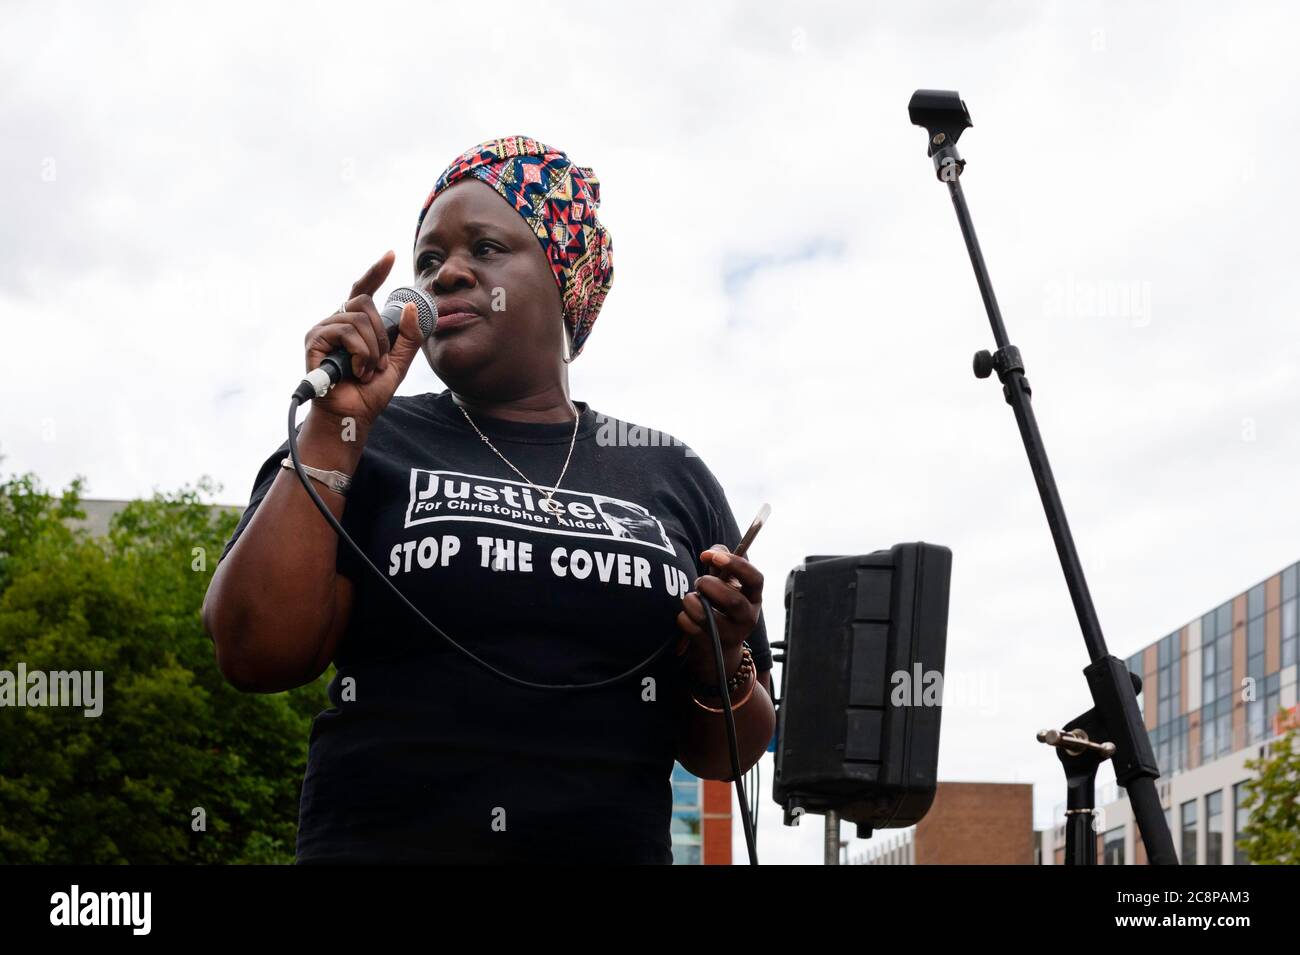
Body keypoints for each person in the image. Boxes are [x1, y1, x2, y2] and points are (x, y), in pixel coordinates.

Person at [201, 136, 774, 865]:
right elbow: (252, 650)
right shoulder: (370, 440)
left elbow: (729, 753)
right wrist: (331, 431)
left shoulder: (667, 471)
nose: (448, 275)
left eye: (486, 248)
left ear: (563, 280)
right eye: (430, 261)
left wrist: (720, 657)